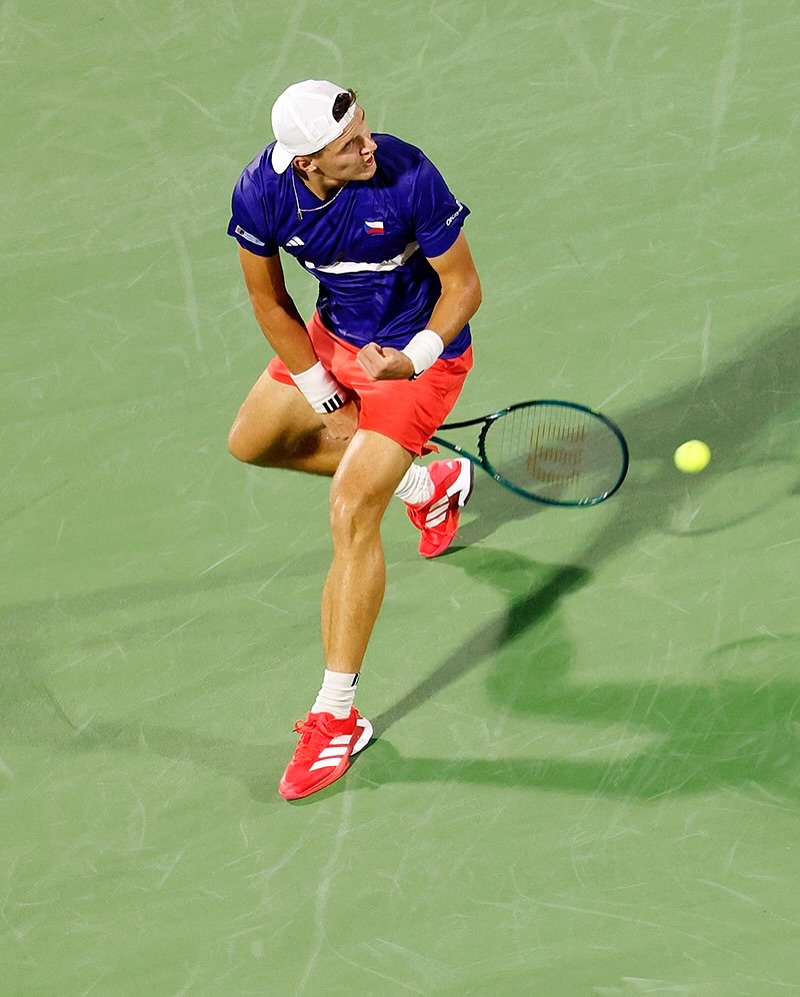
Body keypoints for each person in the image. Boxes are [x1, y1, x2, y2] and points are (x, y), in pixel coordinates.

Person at [226, 79, 482, 800]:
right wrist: (322, 393)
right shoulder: (263, 191)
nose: (370, 146)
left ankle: (336, 716)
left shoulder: (407, 173)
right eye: (350, 145)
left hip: (416, 357)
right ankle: (425, 483)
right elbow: (268, 300)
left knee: (350, 508)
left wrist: (414, 358)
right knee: (252, 441)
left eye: (365, 128)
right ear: (307, 162)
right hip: (333, 340)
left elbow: (464, 287)